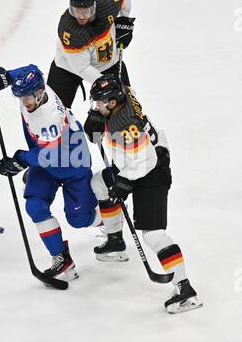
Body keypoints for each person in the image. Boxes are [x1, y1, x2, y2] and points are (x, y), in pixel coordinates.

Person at [84, 74, 203, 314]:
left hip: (152, 169)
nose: (96, 107)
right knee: (99, 183)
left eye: (99, 104)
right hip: (133, 160)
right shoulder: (122, 97)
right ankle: (115, 241)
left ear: (114, 103)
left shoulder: (126, 125)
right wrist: (95, 124)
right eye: (95, 103)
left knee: (153, 235)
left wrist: (123, 184)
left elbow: (147, 161)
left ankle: (185, 289)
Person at [0, 65, 103, 281]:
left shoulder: (50, 118)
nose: (23, 103)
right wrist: (1, 77)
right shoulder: (35, 87)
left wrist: (20, 160)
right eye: (19, 97)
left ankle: (110, 217)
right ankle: (61, 258)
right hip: (45, 159)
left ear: (39, 93)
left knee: (80, 219)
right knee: (35, 205)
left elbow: (48, 155)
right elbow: (28, 70)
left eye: (27, 97)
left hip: (72, 163)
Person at [47, 0, 135, 108]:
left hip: (108, 64)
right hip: (67, 69)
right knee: (56, 111)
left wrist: (124, 19)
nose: (81, 16)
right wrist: (108, 85)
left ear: (94, 6)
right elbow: (81, 68)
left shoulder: (107, 3)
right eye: (76, 11)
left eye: (86, 11)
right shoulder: (69, 29)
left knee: (123, 108)